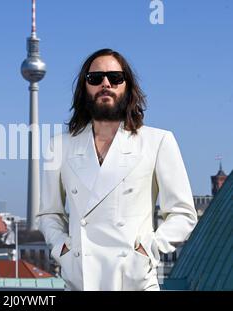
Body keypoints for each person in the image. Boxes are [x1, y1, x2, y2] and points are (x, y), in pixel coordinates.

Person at [37, 48, 197, 291]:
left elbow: (183, 213)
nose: (105, 84)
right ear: (84, 87)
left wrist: (149, 249)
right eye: (95, 78)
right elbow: (48, 213)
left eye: (115, 77)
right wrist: (62, 250)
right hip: (80, 280)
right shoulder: (58, 146)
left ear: (127, 85)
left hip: (134, 280)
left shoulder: (158, 141)